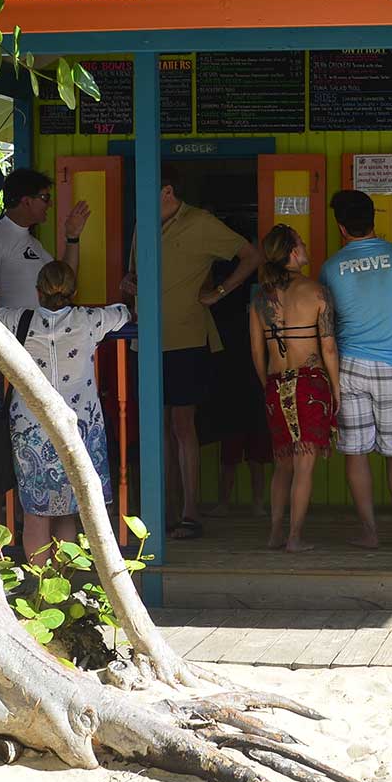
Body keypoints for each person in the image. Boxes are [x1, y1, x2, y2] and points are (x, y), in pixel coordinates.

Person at [122, 165, 262, 540]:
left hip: (185, 338)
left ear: (167, 191)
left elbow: (251, 256)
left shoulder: (202, 222)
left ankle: (189, 512)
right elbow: (131, 275)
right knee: (157, 428)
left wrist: (219, 293)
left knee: (183, 426)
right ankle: (163, 510)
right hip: (144, 339)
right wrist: (129, 283)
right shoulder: (143, 224)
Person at [0, 261, 131, 560]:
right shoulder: (88, 321)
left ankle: (40, 587)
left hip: (31, 426)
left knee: (36, 511)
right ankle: (63, 582)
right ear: (74, 291)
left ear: (38, 291)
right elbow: (123, 312)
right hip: (79, 423)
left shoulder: (18, 320)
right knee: (70, 511)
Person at [321, 189, 392, 549]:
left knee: (357, 451)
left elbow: (327, 321)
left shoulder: (332, 267)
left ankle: (369, 533)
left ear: (341, 227)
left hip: (349, 366)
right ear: (373, 219)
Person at [249, 225, 340, 553]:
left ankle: (275, 532)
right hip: (309, 383)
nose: (305, 247)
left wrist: (267, 385)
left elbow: (257, 352)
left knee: (282, 463)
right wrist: (336, 389)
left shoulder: (260, 299)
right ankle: (295, 537)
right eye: (301, 243)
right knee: (304, 464)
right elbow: (328, 348)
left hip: (276, 384)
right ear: (291, 253)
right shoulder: (317, 292)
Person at [202, 254, 273, 517]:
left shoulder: (216, 299)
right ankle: (257, 503)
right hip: (252, 377)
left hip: (233, 377)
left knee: (235, 447)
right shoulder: (258, 296)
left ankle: (227, 503)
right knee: (254, 447)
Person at [0, 168, 90, 311]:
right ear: (27, 201)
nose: (50, 204)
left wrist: (72, 237)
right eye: (45, 198)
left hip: (43, 331)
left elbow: (65, 280)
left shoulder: (34, 244)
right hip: (13, 333)